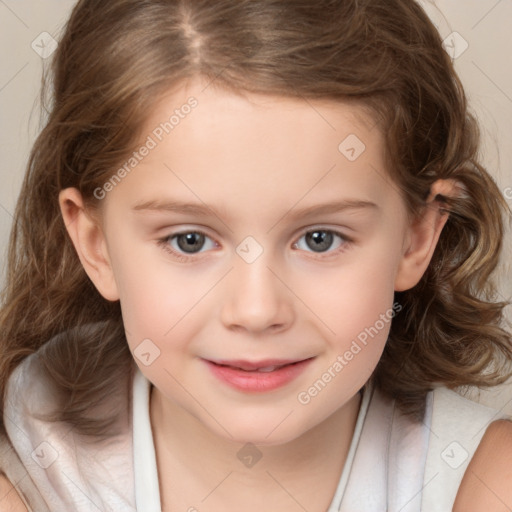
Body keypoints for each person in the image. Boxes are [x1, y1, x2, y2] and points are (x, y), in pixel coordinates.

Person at [1, 0, 511, 510]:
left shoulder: (485, 484)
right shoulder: (25, 470)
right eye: (190, 241)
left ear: (416, 237)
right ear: (97, 246)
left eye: (320, 239)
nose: (257, 310)